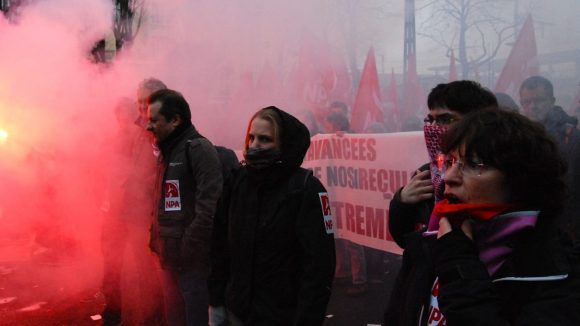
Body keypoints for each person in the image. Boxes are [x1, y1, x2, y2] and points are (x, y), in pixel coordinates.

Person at [432, 107, 580, 325]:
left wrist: (459, 268)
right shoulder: (432, 240)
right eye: (450, 162)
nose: (449, 177)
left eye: (474, 164)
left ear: (519, 180)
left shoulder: (560, 274)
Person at [208, 106, 336, 326]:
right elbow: (220, 246)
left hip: (282, 316)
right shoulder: (237, 182)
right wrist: (216, 301)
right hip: (237, 311)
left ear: (283, 145)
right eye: (251, 137)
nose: (254, 145)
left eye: (265, 139)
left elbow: (318, 268)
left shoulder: (306, 189)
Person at [384, 80, 497, 325]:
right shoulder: (426, 174)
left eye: (445, 119)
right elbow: (403, 238)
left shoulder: (497, 181)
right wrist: (402, 201)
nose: (433, 128)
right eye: (430, 120)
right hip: (422, 297)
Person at [147, 89, 223, 326]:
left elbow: (209, 207)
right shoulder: (166, 153)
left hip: (191, 264)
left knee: (194, 319)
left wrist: (188, 247)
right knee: (175, 318)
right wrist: (155, 241)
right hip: (168, 258)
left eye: (154, 120)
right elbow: (161, 203)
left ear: (175, 120)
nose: (148, 126)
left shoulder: (198, 149)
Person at [101, 91, 164, 325]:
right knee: (111, 264)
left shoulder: (146, 141)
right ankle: (113, 310)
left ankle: (154, 314)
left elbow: (150, 175)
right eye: (118, 116)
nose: (122, 120)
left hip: (136, 213)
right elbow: (103, 173)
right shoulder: (113, 141)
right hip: (114, 214)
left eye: (125, 115)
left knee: (144, 266)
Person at [519, 76, 580, 256]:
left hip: (569, 228)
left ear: (552, 101)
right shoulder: (516, 138)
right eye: (526, 102)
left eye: (539, 100)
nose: (532, 107)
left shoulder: (572, 138)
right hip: (531, 228)